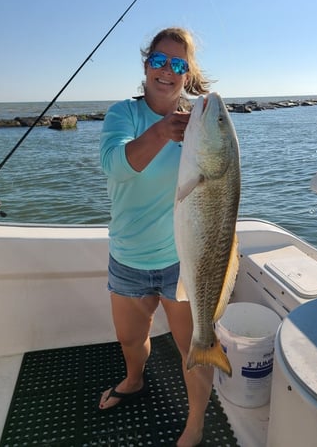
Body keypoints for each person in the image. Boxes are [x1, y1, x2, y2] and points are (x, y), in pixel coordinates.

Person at [99, 27, 213, 447]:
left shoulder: (199, 123)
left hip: (181, 261)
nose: (167, 71)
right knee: (130, 338)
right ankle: (133, 380)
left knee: (194, 346)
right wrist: (163, 130)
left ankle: (196, 422)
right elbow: (116, 167)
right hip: (128, 256)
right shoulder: (121, 115)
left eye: (178, 64)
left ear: (188, 74)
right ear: (147, 64)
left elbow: (217, 182)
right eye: (160, 61)